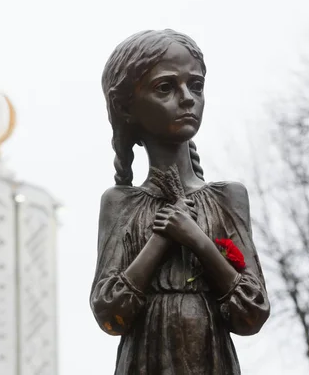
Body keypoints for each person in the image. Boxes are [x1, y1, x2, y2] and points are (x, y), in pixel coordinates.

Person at [90, 29, 270, 375]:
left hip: (211, 358)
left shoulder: (227, 197)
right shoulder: (120, 203)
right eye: (165, 87)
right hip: (145, 361)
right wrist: (161, 240)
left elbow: (252, 312)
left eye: (196, 86)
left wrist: (197, 240)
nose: (187, 98)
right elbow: (109, 311)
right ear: (127, 107)